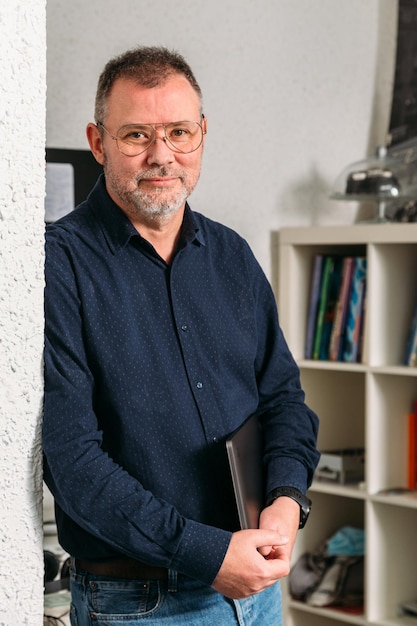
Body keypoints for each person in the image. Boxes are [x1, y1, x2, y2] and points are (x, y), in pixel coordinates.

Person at [43, 46, 319, 626]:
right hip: (142, 607)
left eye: (178, 132)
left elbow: (284, 400)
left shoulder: (232, 256)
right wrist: (206, 552)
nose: (161, 156)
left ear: (202, 133)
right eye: (136, 135)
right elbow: (71, 462)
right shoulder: (54, 264)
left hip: (260, 593)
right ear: (98, 143)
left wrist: (288, 501)